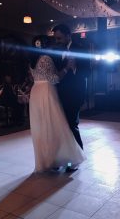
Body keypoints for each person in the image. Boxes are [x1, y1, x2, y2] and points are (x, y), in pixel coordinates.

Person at [29, 36, 85, 173]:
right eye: (52, 42)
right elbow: (54, 78)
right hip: (47, 92)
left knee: (43, 129)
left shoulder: (32, 60)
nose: (55, 44)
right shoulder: (46, 58)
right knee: (57, 127)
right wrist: (67, 68)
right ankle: (68, 159)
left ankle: (51, 160)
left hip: (36, 92)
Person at [52, 24, 90, 151]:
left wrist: (74, 68)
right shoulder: (55, 51)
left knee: (72, 124)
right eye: (55, 39)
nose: (57, 41)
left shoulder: (81, 49)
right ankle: (65, 155)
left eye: (59, 38)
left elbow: (88, 72)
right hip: (58, 94)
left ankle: (78, 155)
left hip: (75, 93)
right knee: (61, 125)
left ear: (68, 36)